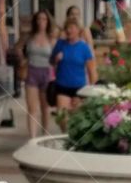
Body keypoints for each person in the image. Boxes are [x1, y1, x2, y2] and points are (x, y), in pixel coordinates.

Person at [21, 9, 56, 137]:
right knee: (32, 108)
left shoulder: (52, 38)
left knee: (45, 108)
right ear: (35, 21)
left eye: (44, 19)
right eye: (39, 19)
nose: (41, 22)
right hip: (32, 72)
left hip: (46, 73)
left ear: (48, 21)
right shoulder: (28, 37)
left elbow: (56, 58)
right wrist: (22, 61)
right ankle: (32, 138)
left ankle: (45, 134)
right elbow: (18, 49)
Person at [50, 18, 95, 109]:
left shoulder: (84, 48)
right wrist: (56, 59)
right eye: (66, 28)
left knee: (76, 119)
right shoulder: (60, 44)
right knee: (63, 119)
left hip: (79, 89)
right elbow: (51, 62)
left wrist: (92, 90)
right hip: (62, 86)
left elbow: (91, 71)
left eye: (71, 28)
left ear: (78, 30)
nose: (68, 30)